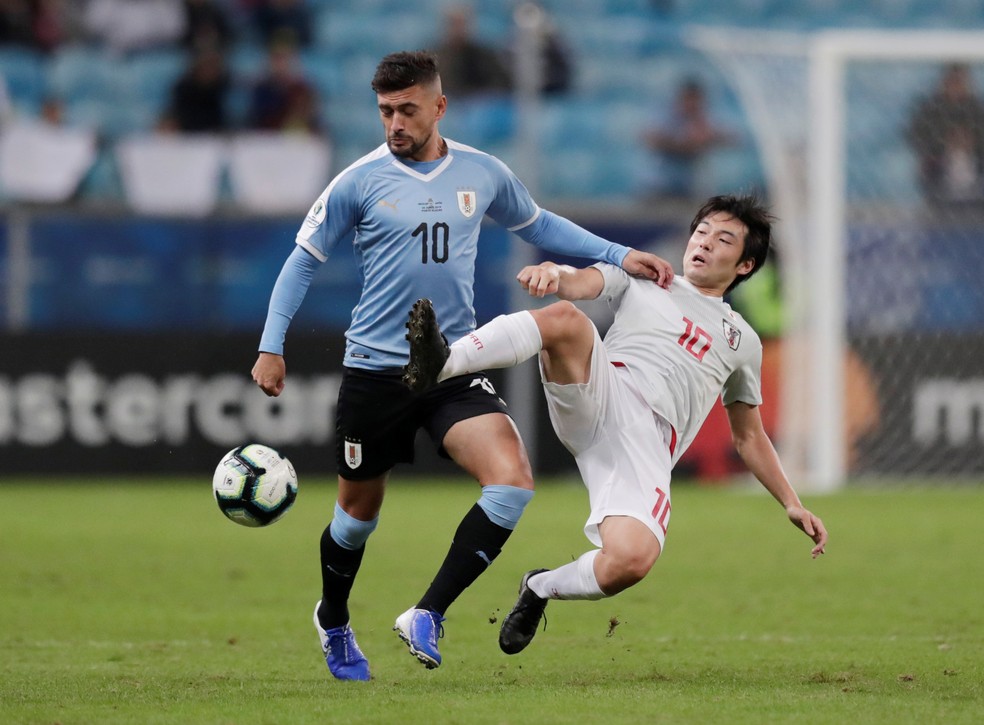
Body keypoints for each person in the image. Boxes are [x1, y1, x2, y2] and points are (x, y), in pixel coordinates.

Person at [250, 50, 672, 681]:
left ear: (439, 106)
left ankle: (427, 612)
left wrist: (619, 252)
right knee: (355, 521)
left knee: (511, 483)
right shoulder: (358, 180)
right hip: (376, 371)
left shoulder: (483, 173)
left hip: (450, 365)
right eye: (385, 110)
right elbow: (303, 260)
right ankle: (333, 618)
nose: (394, 122)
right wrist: (271, 344)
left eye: (407, 109)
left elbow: (540, 223)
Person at [402, 194, 828, 655]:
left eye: (723, 239)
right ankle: (442, 363)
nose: (704, 243)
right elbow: (581, 282)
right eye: (701, 231)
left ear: (744, 266)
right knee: (567, 319)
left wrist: (791, 502)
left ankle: (540, 587)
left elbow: (748, 434)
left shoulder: (742, 340)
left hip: (644, 446)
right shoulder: (648, 277)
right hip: (602, 391)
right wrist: (554, 273)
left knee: (630, 561)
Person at [643, 77, 738, 199]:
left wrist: (711, 138)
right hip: (660, 186)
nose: (693, 105)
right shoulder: (664, 117)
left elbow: (732, 138)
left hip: (688, 187)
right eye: (690, 99)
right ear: (682, 99)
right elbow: (650, 138)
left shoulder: (703, 120)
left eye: (697, 101)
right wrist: (686, 143)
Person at [907, 62, 984, 211]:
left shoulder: (978, 110)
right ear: (943, 82)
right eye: (952, 81)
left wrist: (971, 144)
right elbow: (915, 136)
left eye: (960, 81)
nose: (956, 86)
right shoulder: (930, 109)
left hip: (977, 166)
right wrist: (946, 143)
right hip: (939, 168)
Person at [433, 4, 511, 99]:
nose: (457, 29)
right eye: (453, 24)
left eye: (460, 24)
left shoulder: (484, 56)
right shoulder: (435, 58)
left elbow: (499, 84)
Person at [247, 35, 320, 134]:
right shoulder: (261, 89)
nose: (280, 64)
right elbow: (258, 122)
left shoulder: (302, 90)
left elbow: (312, 122)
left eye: (284, 58)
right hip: (267, 142)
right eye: (277, 58)